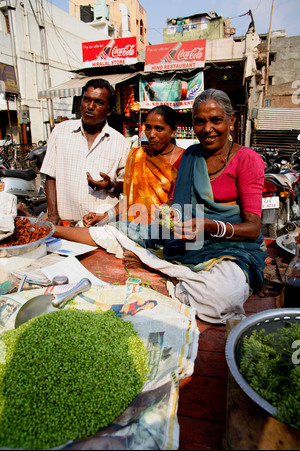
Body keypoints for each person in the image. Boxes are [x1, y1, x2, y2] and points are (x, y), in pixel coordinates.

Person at [52, 89, 267, 324]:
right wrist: (171, 216)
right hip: (185, 238)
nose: (207, 129)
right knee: (120, 230)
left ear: (231, 120)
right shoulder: (192, 155)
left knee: (222, 297)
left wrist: (208, 226)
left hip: (231, 250)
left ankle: (157, 268)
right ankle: (49, 230)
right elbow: (175, 203)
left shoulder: (247, 159)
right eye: (200, 122)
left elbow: (253, 229)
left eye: (216, 120)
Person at [40, 78, 129, 226]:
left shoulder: (120, 143)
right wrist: (53, 214)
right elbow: (51, 175)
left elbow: (129, 186)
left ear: (109, 109)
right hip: (66, 225)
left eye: (99, 102)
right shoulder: (61, 132)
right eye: (87, 100)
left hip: (102, 227)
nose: (91, 106)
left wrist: (110, 184)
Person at [82, 105, 184, 227]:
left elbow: (186, 204)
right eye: (148, 128)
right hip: (133, 230)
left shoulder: (185, 159)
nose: (151, 134)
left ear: (173, 130)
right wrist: (105, 216)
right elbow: (129, 198)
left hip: (166, 231)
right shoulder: (137, 155)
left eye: (159, 129)